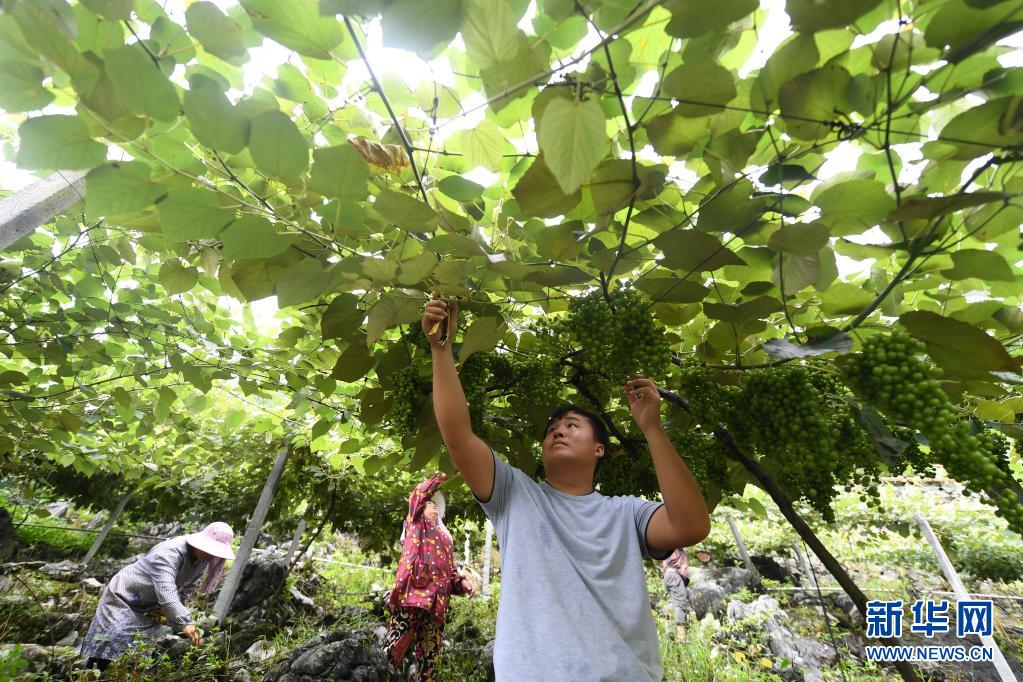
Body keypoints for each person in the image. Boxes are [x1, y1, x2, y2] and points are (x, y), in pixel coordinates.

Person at [422, 297, 712, 681]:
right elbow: (459, 436)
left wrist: (652, 429)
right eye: (553, 428)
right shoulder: (515, 494)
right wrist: (441, 351)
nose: (558, 429)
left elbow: (692, 525)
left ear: (599, 449)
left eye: (572, 424)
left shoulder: (626, 514)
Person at [79, 521, 235, 673]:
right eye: (210, 550)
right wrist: (184, 622)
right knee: (109, 640)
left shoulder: (201, 560)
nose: (211, 556)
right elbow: (166, 589)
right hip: (124, 596)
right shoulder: (170, 552)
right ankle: (88, 674)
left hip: (150, 605)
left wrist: (166, 613)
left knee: (137, 655)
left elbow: (185, 589)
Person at [385, 474, 476, 681]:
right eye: (429, 504)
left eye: (436, 505)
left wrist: (462, 582)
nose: (433, 506)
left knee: (428, 661)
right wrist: (447, 473)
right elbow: (419, 493)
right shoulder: (416, 523)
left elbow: (449, 570)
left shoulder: (445, 537)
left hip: (437, 603)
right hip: (413, 594)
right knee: (394, 649)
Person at [662, 547, 692, 640]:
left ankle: (670, 631)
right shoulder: (674, 547)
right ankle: (681, 638)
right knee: (680, 604)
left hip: (671, 576)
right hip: (674, 575)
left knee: (676, 603)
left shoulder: (673, 549)